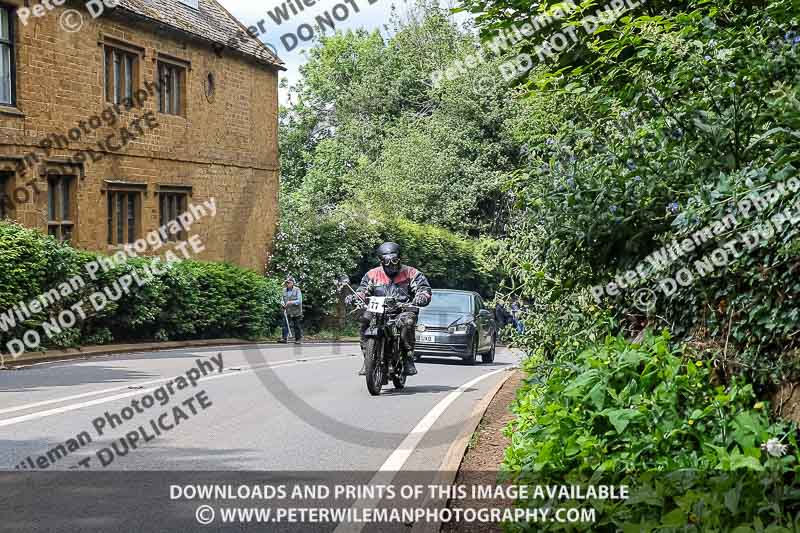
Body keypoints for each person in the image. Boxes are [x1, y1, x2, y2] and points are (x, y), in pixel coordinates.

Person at [346, 242, 432, 376]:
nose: (391, 264)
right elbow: (362, 290)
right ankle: (367, 358)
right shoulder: (372, 274)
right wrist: (354, 297)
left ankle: (408, 357)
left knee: (407, 323)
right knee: (364, 320)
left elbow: (424, 289)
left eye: (394, 260)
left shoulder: (412, 273)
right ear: (381, 261)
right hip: (378, 309)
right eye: (386, 261)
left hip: (403, 309)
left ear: (400, 258)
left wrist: (422, 297)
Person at [280, 276, 303, 344]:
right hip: (287, 311)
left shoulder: (297, 290)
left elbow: (299, 301)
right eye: (286, 283)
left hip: (296, 311)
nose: (287, 284)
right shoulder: (284, 290)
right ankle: (284, 338)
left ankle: (298, 339)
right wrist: (282, 303)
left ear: (293, 283)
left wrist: (290, 302)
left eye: (289, 282)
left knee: (297, 325)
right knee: (285, 324)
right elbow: (281, 299)